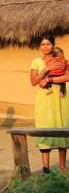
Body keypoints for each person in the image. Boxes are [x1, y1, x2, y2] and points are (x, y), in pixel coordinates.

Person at [30, 34, 69, 174]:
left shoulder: (60, 59)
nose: (45, 47)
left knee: (61, 126)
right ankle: (45, 167)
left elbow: (67, 76)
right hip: (44, 99)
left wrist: (49, 79)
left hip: (60, 97)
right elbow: (34, 81)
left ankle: (62, 166)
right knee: (45, 127)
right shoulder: (36, 62)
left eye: (48, 44)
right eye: (42, 44)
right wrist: (46, 69)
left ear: (53, 45)